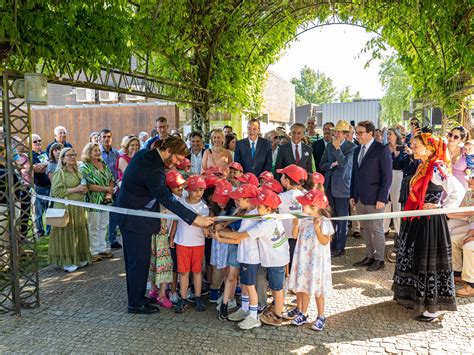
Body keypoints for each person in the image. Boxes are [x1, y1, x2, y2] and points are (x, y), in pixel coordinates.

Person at [116, 136, 214, 314]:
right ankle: (135, 304)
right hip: (135, 221)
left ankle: (137, 296)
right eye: (177, 158)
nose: (177, 163)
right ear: (168, 151)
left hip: (134, 218)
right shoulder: (154, 169)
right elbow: (166, 198)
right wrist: (195, 219)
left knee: (137, 262)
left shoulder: (146, 155)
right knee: (138, 262)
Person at [393, 133, 464, 322]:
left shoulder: (437, 166)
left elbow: (457, 191)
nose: (413, 148)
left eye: (416, 145)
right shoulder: (423, 165)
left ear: (430, 148)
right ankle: (416, 298)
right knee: (415, 257)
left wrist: (441, 207)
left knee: (428, 260)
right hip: (417, 219)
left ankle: (435, 307)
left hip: (430, 222)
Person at [216, 189, 289, 327]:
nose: (257, 207)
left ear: (268, 208)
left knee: (276, 288)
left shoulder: (265, 223)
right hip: (272, 258)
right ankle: (251, 310)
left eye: (260, 206)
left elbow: (240, 236)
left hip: (276, 259)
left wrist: (218, 234)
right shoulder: (265, 217)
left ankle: (276, 316)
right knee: (268, 286)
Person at [286, 189, 334, 331]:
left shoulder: (324, 222)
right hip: (303, 259)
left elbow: (325, 241)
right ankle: (303, 313)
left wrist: (317, 228)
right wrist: (295, 225)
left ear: (314, 206)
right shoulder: (302, 219)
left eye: (305, 204)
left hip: (317, 261)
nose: (302, 207)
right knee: (303, 286)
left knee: (318, 290)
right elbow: (294, 236)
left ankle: (321, 316)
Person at [350, 121, 392, 272]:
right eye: (356, 132)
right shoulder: (357, 150)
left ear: (370, 133)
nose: (357, 135)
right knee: (365, 228)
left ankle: (379, 259)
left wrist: (382, 198)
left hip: (376, 199)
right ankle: (369, 256)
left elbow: (387, 177)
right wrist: (353, 195)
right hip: (360, 197)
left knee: (377, 229)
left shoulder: (381, 149)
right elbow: (355, 174)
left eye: (360, 132)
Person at [170, 175, 210, 313]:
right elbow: (175, 220)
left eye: (201, 190)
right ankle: (183, 298)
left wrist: (207, 229)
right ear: (188, 190)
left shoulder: (204, 207)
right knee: (184, 272)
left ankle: (198, 297)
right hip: (182, 242)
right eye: (195, 190)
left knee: (197, 271)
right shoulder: (181, 202)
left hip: (198, 243)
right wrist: (171, 236)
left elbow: (206, 226)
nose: (198, 193)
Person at [48, 147, 90, 273]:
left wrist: (84, 189)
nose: (72, 157)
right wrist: (76, 189)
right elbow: (56, 192)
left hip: (79, 207)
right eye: (69, 155)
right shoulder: (59, 172)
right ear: (63, 158)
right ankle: (68, 261)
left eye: (74, 154)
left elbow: (82, 186)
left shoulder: (77, 170)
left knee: (79, 231)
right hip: (65, 208)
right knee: (67, 233)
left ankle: (80, 257)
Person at [319, 120, 356, 257]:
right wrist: (331, 164)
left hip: (343, 187)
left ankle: (340, 248)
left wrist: (337, 149)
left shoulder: (352, 147)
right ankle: (332, 244)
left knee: (342, 219)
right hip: (329, 186)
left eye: (338, 132)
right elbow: (322, 164)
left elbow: (344, 164)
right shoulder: (329, 146)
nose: (335, 134)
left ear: (345, 134)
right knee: (331, 217)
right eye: (335, 131)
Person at [80, 143, 115, 262]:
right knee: (93, 226)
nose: (97, 152)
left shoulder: (103, 163)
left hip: (106, 199)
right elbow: (89, 185)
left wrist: (109, 192)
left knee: (103, 224)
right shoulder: (85, 167)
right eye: (94, 150)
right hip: (93, 200)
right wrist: (105, 189)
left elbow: (111, 179)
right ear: (88, 152)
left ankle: (102, 249)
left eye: (98, 150)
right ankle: (93, 251)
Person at [447, 175, 474, 297]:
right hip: (472, 226)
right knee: (453, 240)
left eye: (472, 178)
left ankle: (472, 285)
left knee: (469, 246)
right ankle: (457, 273)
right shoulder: (469, 194)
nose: (468, 180)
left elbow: (467, 213)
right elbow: (461, 211)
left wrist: (471, 236)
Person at [383, 127, 405, 238]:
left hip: (398, 176)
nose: (388, 136)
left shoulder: (403, 148)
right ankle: (384, 228)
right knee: (386, 202)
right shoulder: (385, 148)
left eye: (390, 134)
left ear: (396, 135)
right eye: (387, 134)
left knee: (397, 203)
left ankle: (398, 230)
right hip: (387, 175)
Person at [31, 134, 51, 237]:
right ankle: (40, 232)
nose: (38, 142)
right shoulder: (31, 155)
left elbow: (49, 167)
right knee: (38, 213)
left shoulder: (45, 153)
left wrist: (44, 166)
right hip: (39, 187)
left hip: (49, 186)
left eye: (39, 140)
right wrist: (47, 164)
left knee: (50, 211)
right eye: (35, 141)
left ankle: (49, 231)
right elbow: (35, 168)